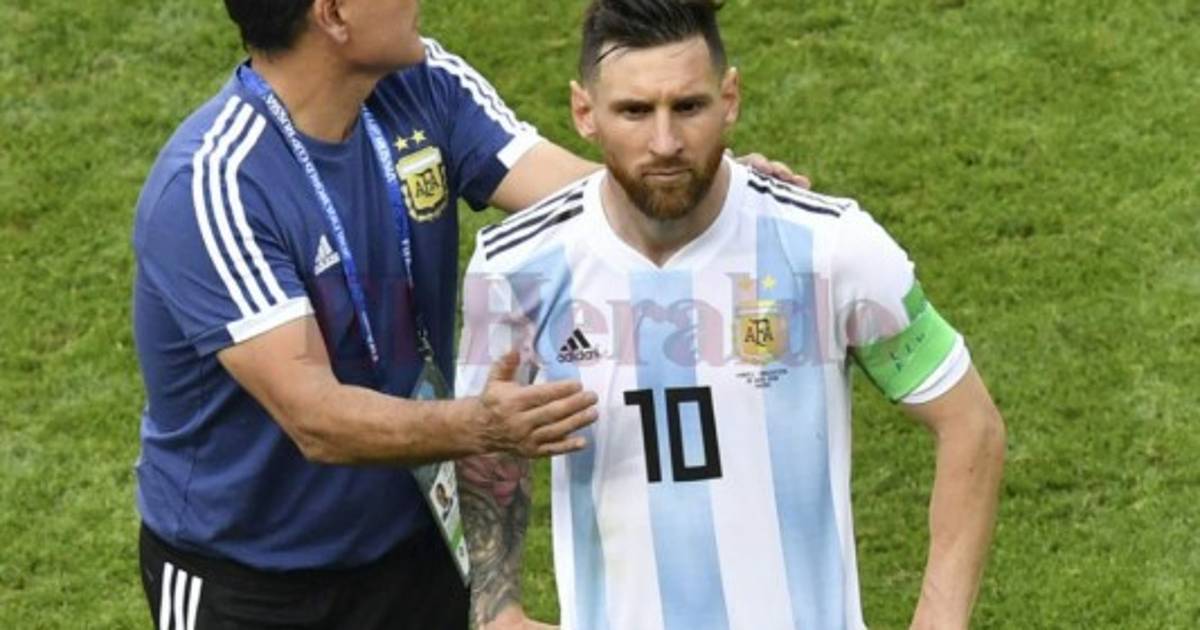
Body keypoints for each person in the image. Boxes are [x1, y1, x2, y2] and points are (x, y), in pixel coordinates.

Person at [131, 1, 803, 628]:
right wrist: (482, 426)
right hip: (251, 582)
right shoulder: (215, 186)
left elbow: (589, 205)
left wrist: (716, 190)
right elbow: (315, 418)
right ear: (332, 14)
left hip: (417, 544)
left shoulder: (425, 84)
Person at [455, 1, 1007, 629]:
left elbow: (971, 424)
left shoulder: (828, 247)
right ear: (585, 112)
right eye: (635, 111)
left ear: (730, 99)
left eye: (688, 107)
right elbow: (481, 446)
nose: (665, 143)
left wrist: (938, 621)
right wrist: (498, 610)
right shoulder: (515, 268)